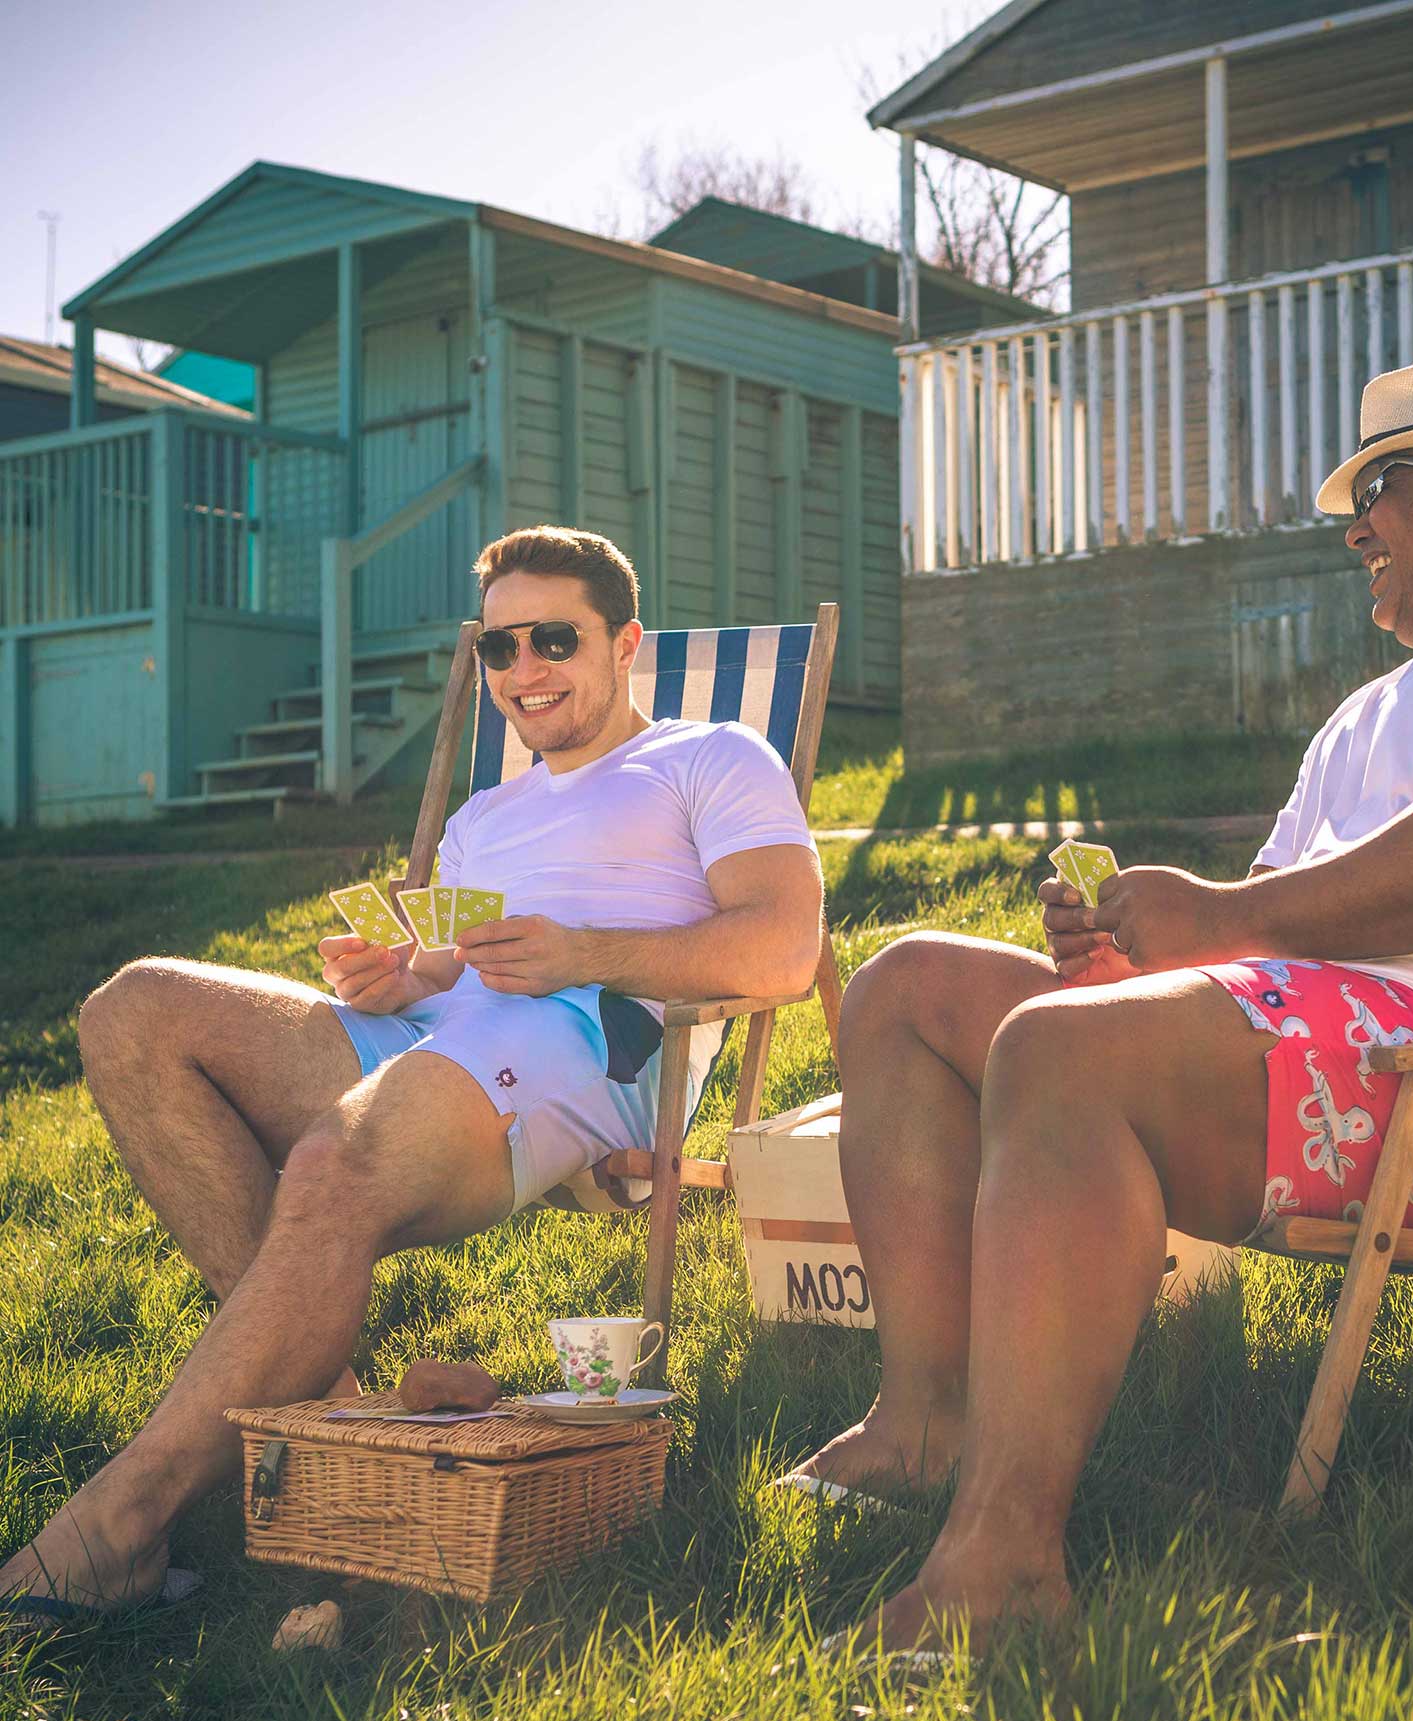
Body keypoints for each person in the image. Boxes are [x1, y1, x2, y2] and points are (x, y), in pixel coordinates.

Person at [799, 356, 1413, 1657]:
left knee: (1059, 1054)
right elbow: (1272, 933)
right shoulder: (1369, 710)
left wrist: (1222, 925)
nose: (1357, 531)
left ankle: (1002, 1568)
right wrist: (1143, 961)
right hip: (1339, 1052)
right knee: (907, 989)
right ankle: (920, 1419)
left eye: (1383, 489)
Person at [2, 527, 823, 1617]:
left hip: (587, 1038)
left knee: (336, 1162)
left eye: (552, 639)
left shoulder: (710, 757)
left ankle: (120, 1522)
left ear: (624, 641)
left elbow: (783, 948)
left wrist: (584, 949)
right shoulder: (486, 816)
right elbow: (461, 971)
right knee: (136, 1008)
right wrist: (403, 981)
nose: (521, 670)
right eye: (498, 647)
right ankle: (340, 1415)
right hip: (442, 1041)